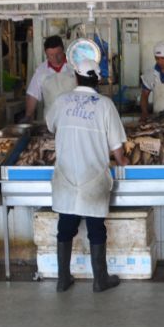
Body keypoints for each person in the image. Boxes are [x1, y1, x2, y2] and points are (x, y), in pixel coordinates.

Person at [46, 58, 129, 293]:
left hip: (66, 175)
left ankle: (63, 279)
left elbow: (50, 126)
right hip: (93, 175)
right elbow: (116, 146)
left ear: (76, 77)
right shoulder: (104, 105)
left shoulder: (62, 101)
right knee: (96, 227)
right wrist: (123, 161)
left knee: (65, 226)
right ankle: (99, 280)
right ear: (97, 80)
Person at [24, 35, 76, 120]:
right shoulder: (41, 71)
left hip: (74, 118)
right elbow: (32, 95)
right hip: (51, 120)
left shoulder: (74, 66)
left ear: (63, 49)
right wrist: (28, 115)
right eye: (51, 55)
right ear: (46, 53)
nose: (55, 58)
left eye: (58, 54)